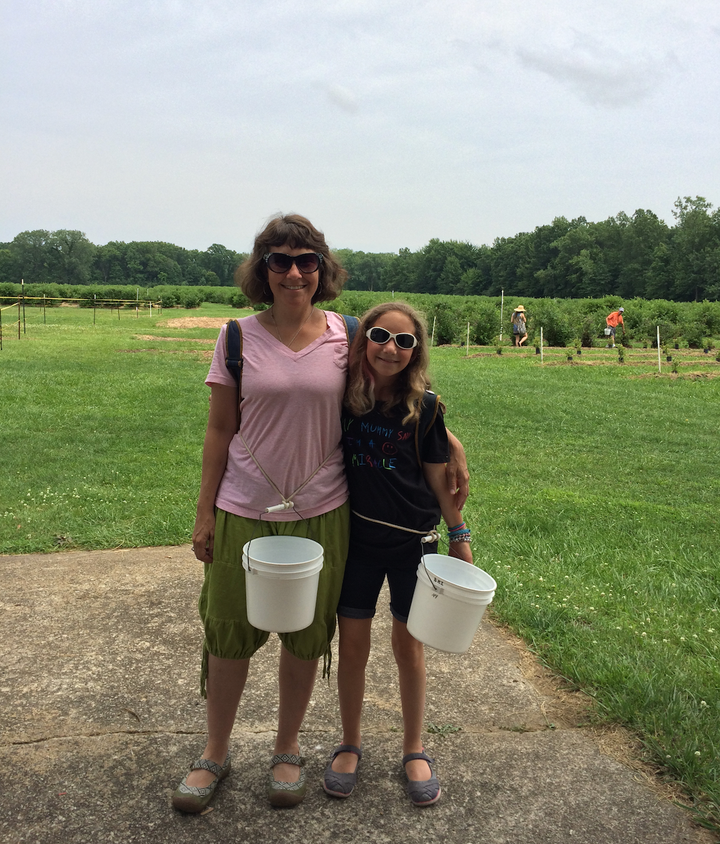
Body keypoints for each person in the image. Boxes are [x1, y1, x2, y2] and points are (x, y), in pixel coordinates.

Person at [172, 214, 469, 813]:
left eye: (306, 260)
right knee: (229, 631)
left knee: (306, 637)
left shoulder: (349, 334)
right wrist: (204, 513)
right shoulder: (235, 339)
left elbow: (396, 395)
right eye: (279, 260)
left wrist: (451, 437)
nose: (293, 271)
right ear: (262, 270)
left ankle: (287, 750)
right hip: (244, 508)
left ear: (322, 269)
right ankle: (214, 752)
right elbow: (219, 429)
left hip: (325, 510)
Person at [323, 302, 473, 807]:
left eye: (404, 342)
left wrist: (460, 534)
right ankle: (350, 742)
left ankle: (414, 746)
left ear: (416, 352)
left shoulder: (425, 407)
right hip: (357, 541)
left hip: (413, 544)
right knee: (353, 645)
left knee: (409, 647)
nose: (391, 348)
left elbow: (437, 474)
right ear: (363, 338)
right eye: (381, 336)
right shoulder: (342, 397)